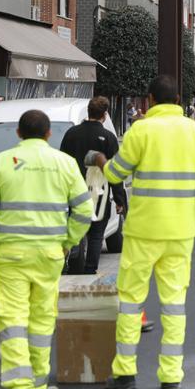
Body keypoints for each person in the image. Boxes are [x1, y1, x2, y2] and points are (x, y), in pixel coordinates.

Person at [92, 76, 195, 389]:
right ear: (178, 99)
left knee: (130, 304)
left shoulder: (141, 130)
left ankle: (124, 374)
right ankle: (171, 376)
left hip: (142, 232)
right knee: (174, 305)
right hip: (180, 232)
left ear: (149, 100)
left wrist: (99, 160)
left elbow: (115, 173)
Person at [0, 110, 93, 389]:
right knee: (41, 321)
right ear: (49, 134)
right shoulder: (64, 163)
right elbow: (84, 210)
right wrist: (68, 242)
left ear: (18, 133)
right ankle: (38, 386)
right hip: (49, 255)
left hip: (9, 256)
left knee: (13, 321)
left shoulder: (1, 163)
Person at [59, 96, 127, 274]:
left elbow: (62, 162)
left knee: (75, 228)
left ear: (88, 111)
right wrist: (120, 200)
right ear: (104, 115)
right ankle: (90, 269)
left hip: (74, 192)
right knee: (96, 234)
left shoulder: (71, 134)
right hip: (99, 192)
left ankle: (67, 263)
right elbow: (114, 172)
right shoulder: (108, 137)